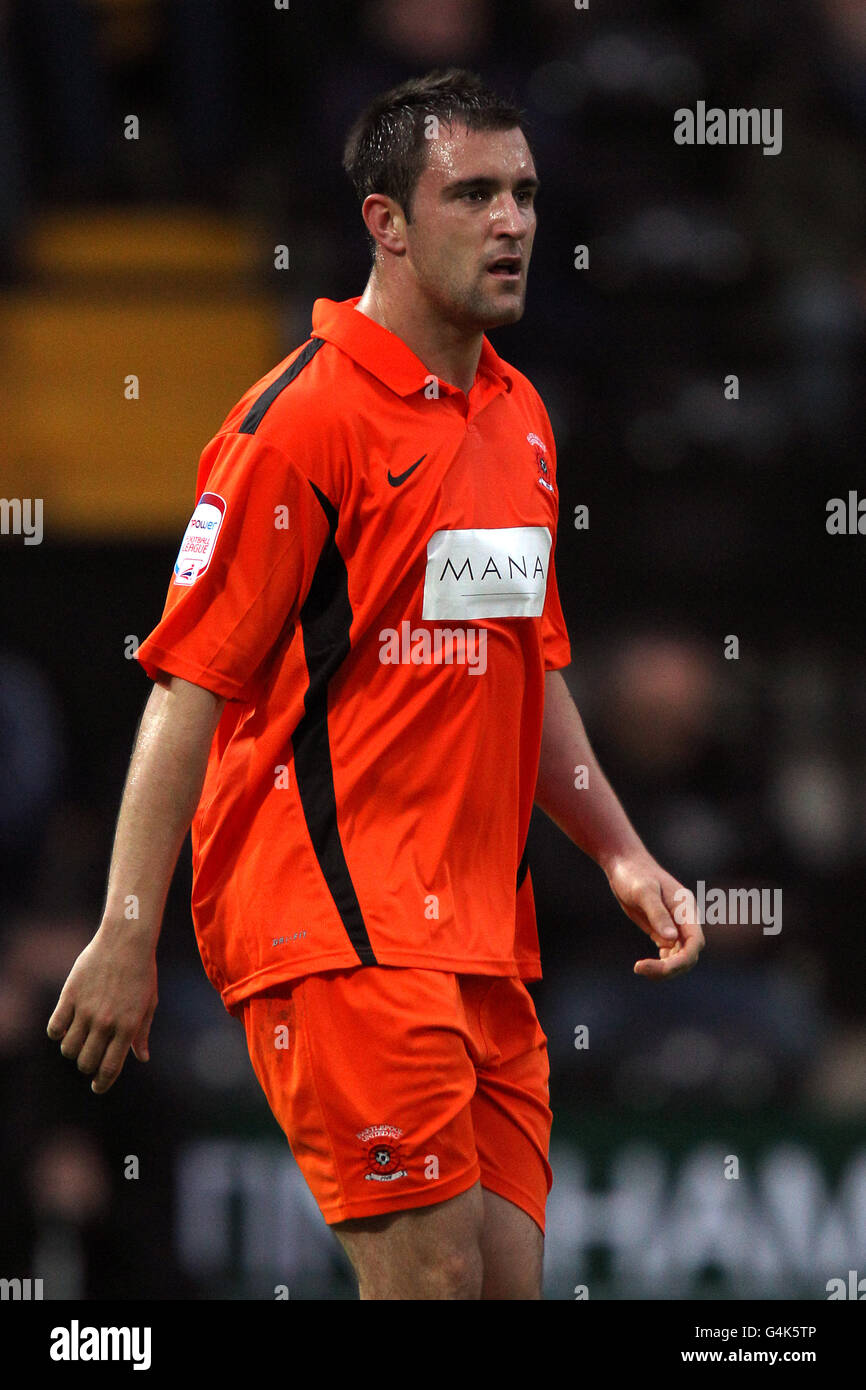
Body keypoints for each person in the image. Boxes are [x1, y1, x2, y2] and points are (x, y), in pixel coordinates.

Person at [47, 68, 704, 1300]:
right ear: (384, 222)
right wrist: (129, 930)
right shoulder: (294, 426)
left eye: (522, 193)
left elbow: (525, 663)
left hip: (482, 940)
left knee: (500, 1291)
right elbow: (184, 687)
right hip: (335, 927)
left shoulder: (519, 418)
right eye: (471, 195)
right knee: (431, 1290)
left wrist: (618, 853)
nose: (510, 220)